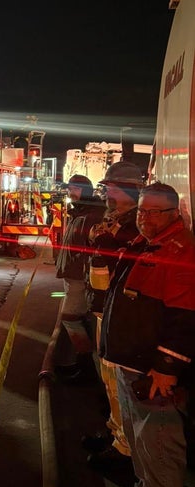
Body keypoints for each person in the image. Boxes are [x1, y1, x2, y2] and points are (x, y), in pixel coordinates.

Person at [99, 182, 195, 487]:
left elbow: (186, 320)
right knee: (141, 448)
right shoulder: (147, 244)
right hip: (131, 365)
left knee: (159, 453)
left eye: (154, 212)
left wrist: (167, 369)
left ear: (175, 214)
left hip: (152, 375)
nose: (144, 217)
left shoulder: (182, 253)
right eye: (141, 210)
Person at [82, 161, 144, 471]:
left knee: (117, 378)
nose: (106, 191)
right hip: (102, 306)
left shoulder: (136, 224)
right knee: (108, 376)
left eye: (111, 187)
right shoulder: (116, 218)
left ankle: (124, 450)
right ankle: (114, 430)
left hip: (116, 311)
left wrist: (106, 241)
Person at [53, 174, 105, 381]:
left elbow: (92, 251)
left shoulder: (91, 216)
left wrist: (84, 276)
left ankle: (87, 368)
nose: (69, 192)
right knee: (79, 319)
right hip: (73, 275)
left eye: (73, 189)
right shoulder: (80, 213)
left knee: (70, 318)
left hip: (79, 278)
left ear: (83, 190)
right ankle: (84, 365)